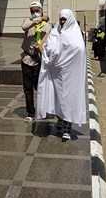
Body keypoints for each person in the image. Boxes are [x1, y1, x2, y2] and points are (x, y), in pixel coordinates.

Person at [36, 9, 87, 141]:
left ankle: (67, 129)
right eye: (61, 19)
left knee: (68, 100)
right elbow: (48, 47)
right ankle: (60, 121)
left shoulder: (76, 34)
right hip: (57, 72)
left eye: (65, 19)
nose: (63, 22)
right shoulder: (55, 32)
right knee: (57, 98)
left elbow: (80, 51)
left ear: (70, 19)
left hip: (71, 75)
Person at [20, 1, 51, 123]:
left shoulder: (47, 26)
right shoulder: (29, 22)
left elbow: (48, 42)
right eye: (32, 11)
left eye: (37, 10)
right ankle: (30, 112)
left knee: (40, 87)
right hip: (26, 59)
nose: (35, 13)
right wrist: (37, 19)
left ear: (42, 10)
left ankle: (43, 109)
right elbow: (24, 27)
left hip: (39, 60)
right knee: (27, 88)